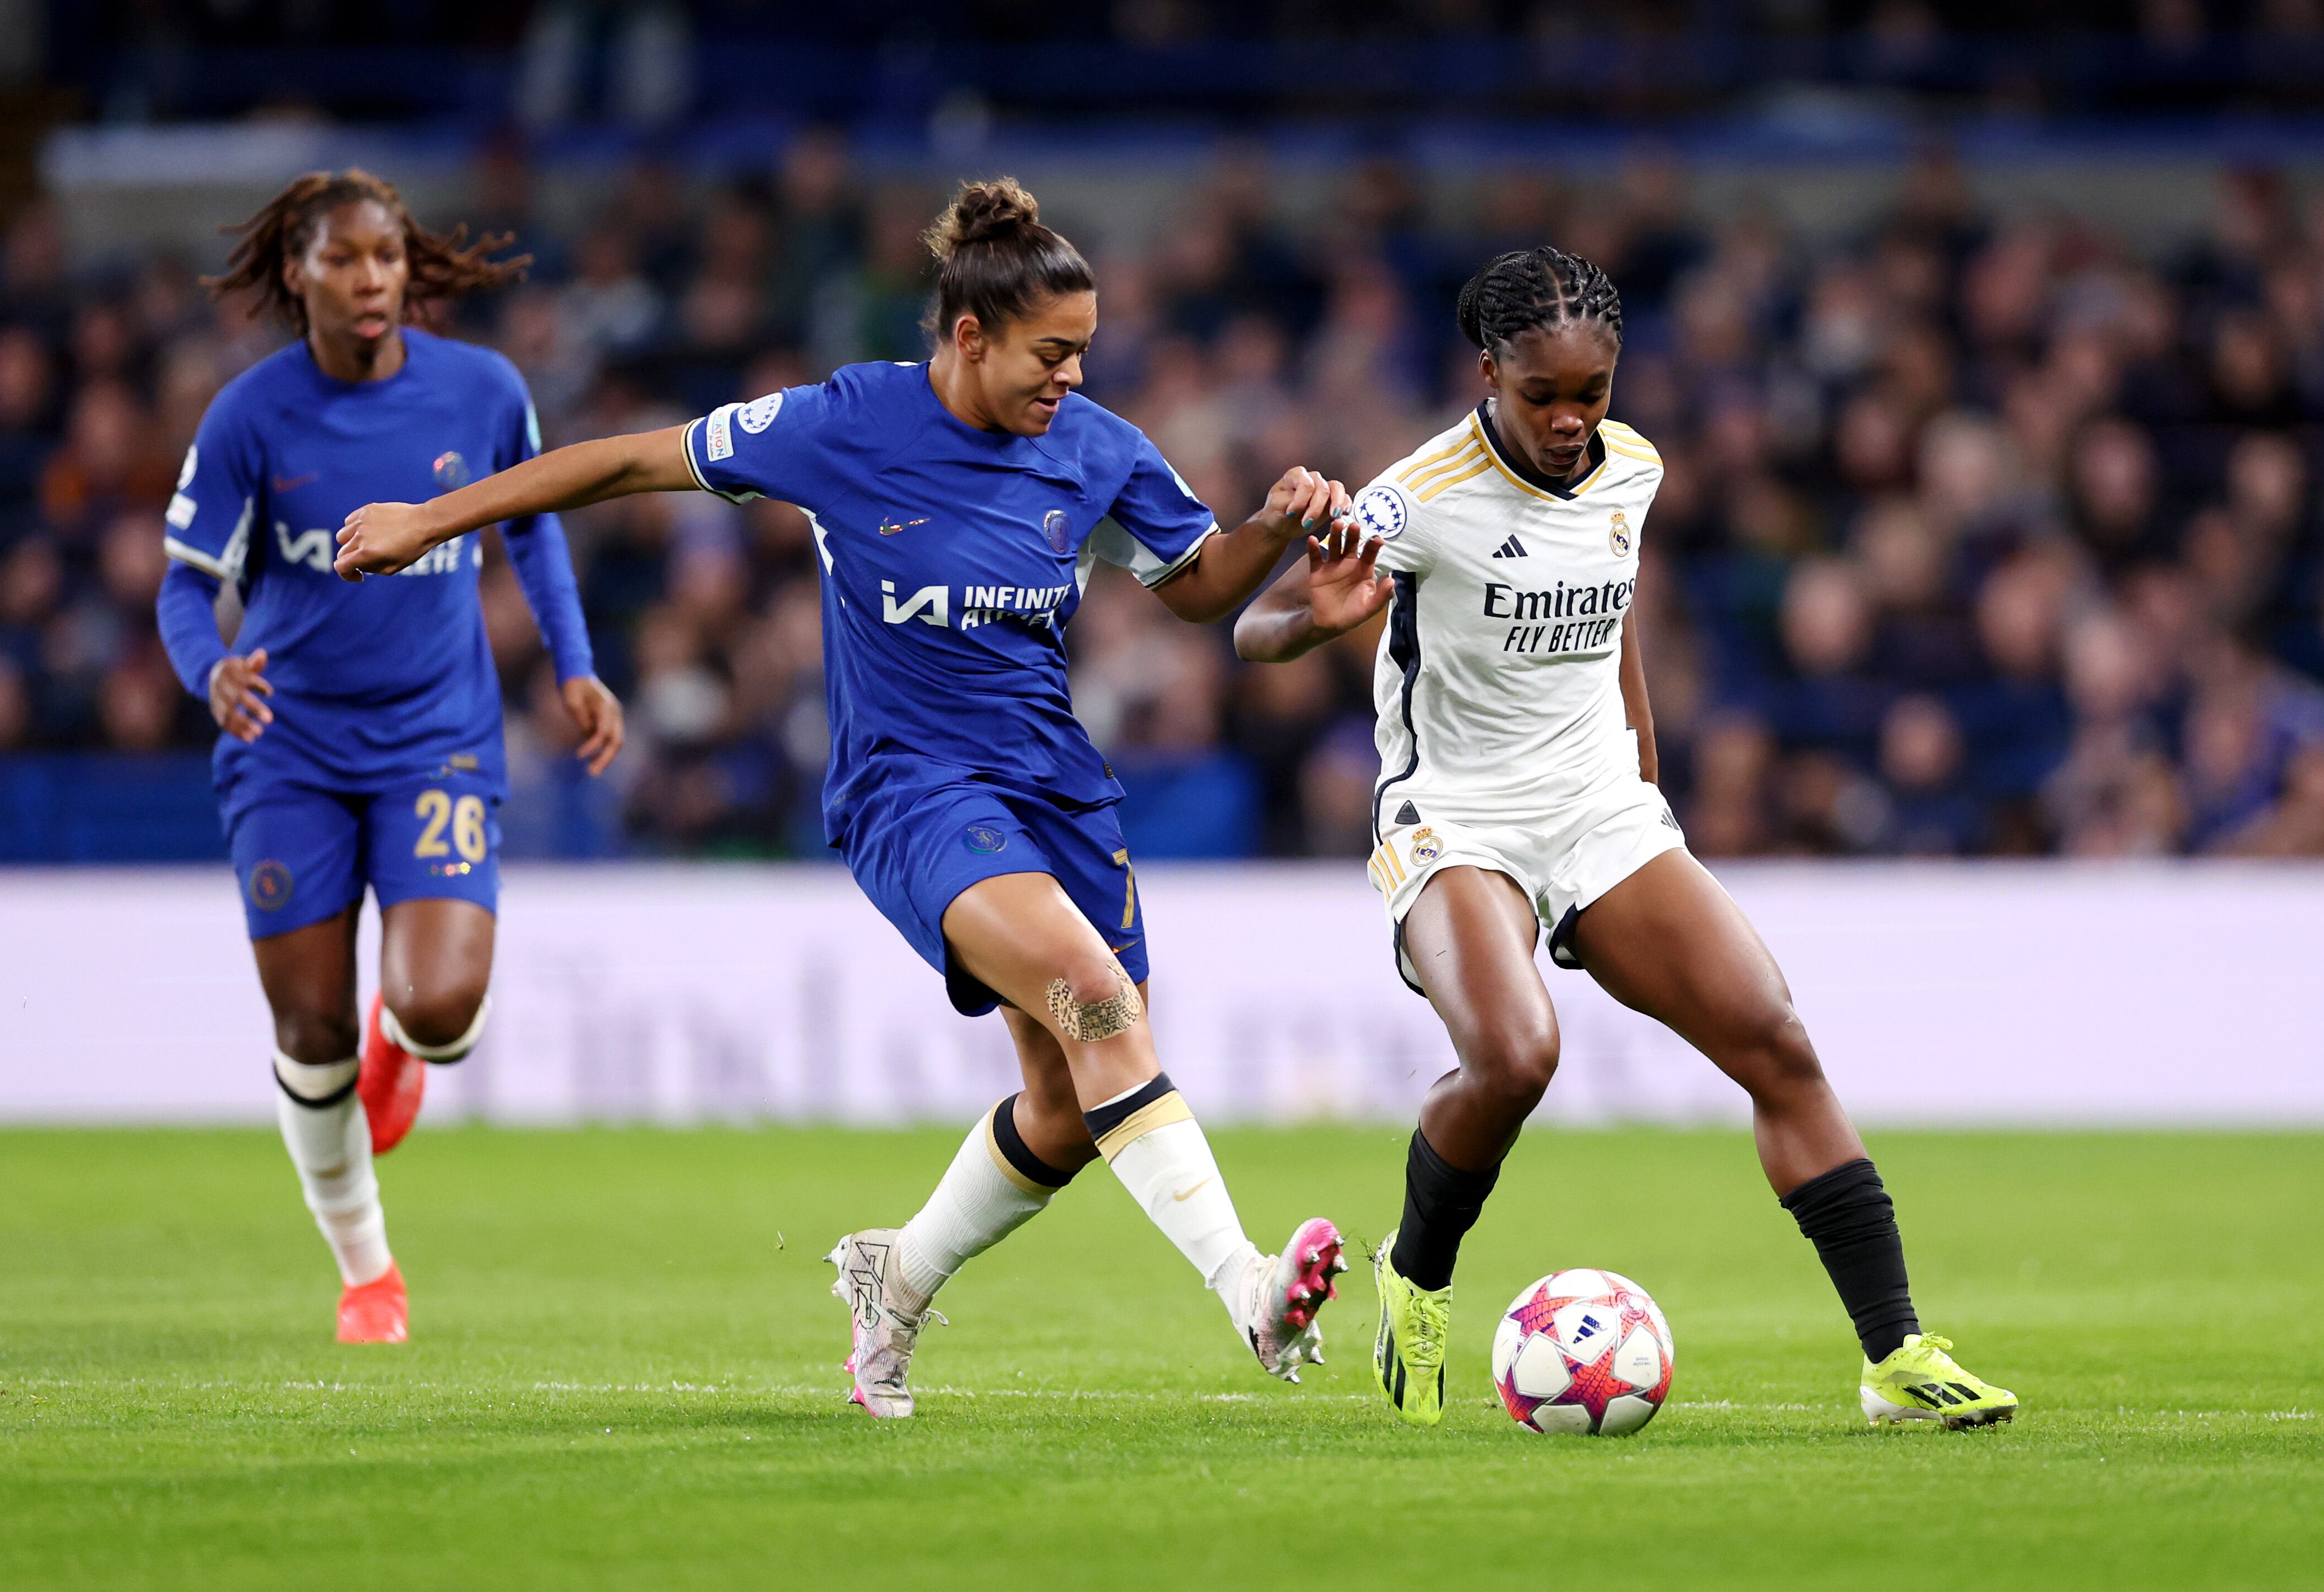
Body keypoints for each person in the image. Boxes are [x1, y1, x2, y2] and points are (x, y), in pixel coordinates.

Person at [333, 178, 1348, 1416]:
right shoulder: (844, 422)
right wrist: (430, 519)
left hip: (1058, 791)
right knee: (1096, 1003)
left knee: (1070, 1105)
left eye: (1083, 353)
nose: (1071, 379)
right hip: (909, 788)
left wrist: (1277, 530)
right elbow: (627, 464)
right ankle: (1250, 1291)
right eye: (1050, 353)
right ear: (967, 337)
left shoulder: (1096, 450)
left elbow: (1195, 587)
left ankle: (896, 1281)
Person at [1233, 246, 2017, 1431]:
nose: (1566, 418)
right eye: (1539, 394)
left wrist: (1642, 771)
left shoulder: (1631, 469)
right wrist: (1312, 616)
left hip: (1599, 812)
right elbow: (1254, 626)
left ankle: (1894, 1356)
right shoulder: (1417, 495)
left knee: (1774, 1039)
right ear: (1486, 370)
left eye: (1588, 392)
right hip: (1457, 819)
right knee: (1514, 1056)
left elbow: (1615, 615)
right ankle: (1416, 1271)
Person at [155, 170, 622, 1344]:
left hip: (435, 738)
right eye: (345, 260)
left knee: (444, 1006)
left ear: (410, 270)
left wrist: (573, 662)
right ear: (296, 275)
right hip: (287, 749)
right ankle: (369, 1271)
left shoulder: (481, 391)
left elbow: (533, 525)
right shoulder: (249, 417)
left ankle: (402, 1042)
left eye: (387, 259)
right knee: (306, 1033)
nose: (371, 281)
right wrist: (206, 670)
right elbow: (182, 582)